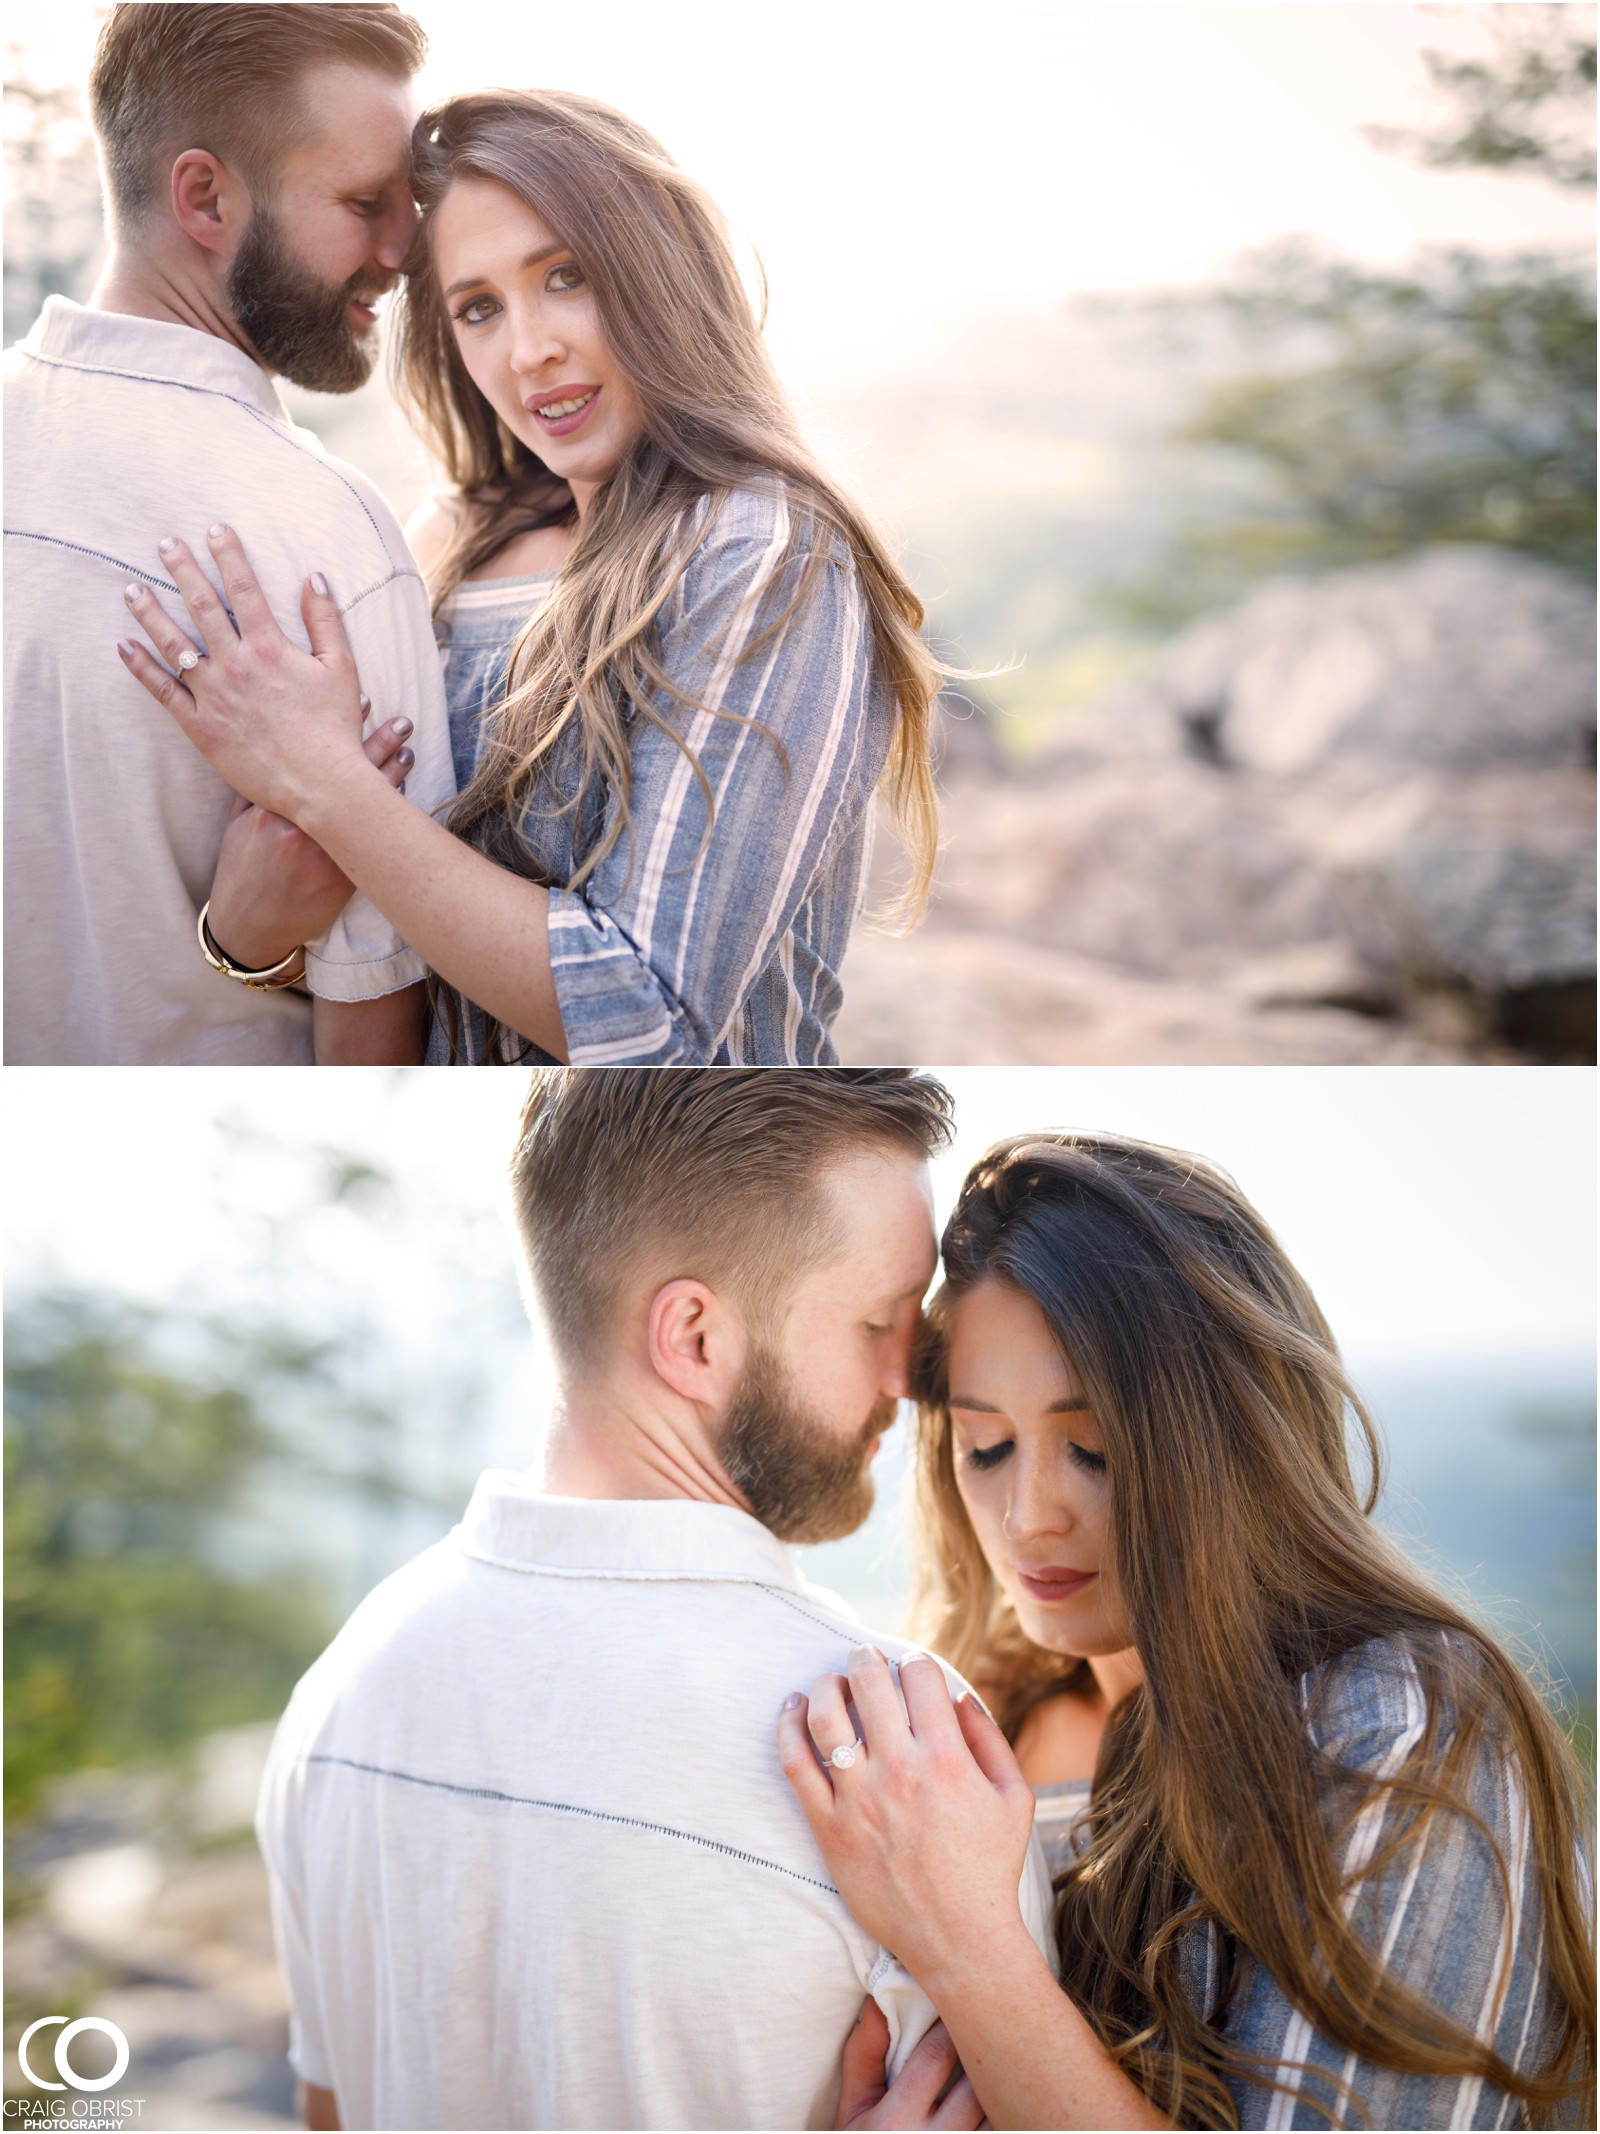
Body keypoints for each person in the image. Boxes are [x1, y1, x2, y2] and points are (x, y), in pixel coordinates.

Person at [254, 1070, 1055, 2131]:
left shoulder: (343, 1689)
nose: (908, 1381)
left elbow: (330, 2116)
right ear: (693, 1337)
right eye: (875, 1321)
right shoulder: (893, 1743)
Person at [779, 1134, 1597, 2131]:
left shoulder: (1394, 1731)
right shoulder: (963, 1734)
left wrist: (966, 1944)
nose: (1029, 1513)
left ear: (1224, 1441)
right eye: (985, 1443)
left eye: (1092, 1448)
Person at [116, 89, 944, 1066]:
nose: (528, 348)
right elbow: (402, 947)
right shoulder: (446, 548)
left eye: (566, 276)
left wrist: (327, 786)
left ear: (657, 272)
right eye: (478, 308)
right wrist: (250, 938)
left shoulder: (759, 550)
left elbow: (650, 1022)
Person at [4, 2, 454, 1065]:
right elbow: (374, 1039)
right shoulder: (322, 538)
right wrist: (240, 948)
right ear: (204, 196)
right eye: (362, 203)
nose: (403, 252)